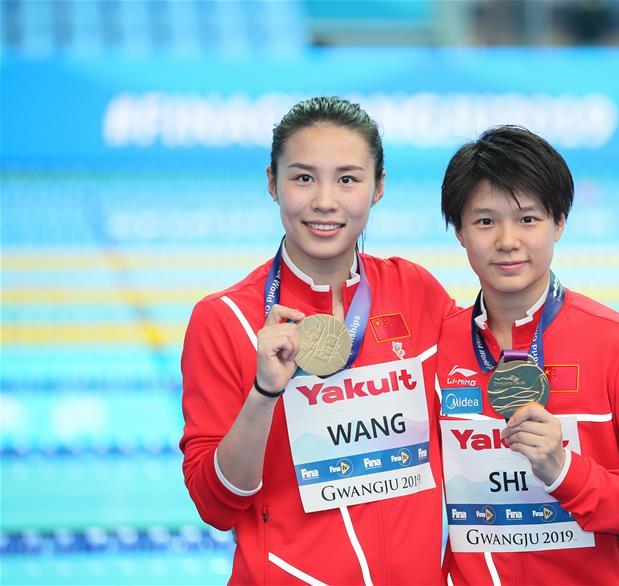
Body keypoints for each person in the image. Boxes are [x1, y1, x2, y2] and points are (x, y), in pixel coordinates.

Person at [180, 96, 455, 585]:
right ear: (272, 183)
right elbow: (216, 504)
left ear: (378, 187)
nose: (325, 200)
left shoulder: (416, 293)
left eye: (347, 179)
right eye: (303, 177)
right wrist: (264, 394)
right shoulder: (225, 320)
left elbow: (487, 377)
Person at [436, 126, 619, 585]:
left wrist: (565, 470)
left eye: (528, 219)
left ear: (559, 222)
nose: (507, 240)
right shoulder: (436, 348)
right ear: (458, 231)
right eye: (485, 221)